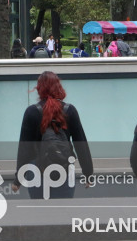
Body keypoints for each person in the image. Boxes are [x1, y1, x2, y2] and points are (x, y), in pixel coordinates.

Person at [12, 71, 93, 199]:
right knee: (62, 212)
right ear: (59, 87)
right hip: (64, 169)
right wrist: (88, 174)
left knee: (40, 213)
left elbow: (24, 149)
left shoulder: (31, 112)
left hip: (36, 170)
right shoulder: (69, 110)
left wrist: (18, 180)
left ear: (39, 89)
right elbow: (81, 143)